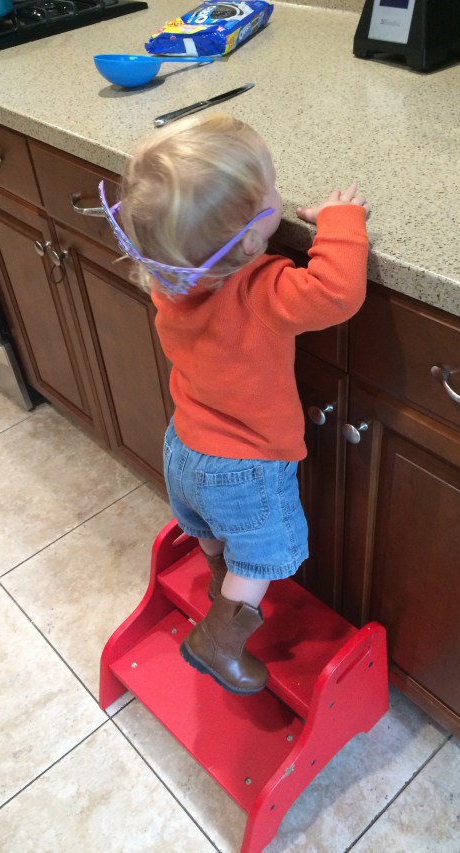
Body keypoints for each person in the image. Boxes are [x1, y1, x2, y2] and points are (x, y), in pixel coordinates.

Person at [99, 113, 370, 696]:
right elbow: (337, 292)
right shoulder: (263, 289)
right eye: (272, 189)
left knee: (214, 534)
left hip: (184, 448)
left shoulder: (169, 280)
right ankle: (218, 641)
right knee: (262, 558)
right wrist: (341, 221)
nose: (280, 192)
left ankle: (218, 584)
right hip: (245, 467)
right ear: (249, 241)